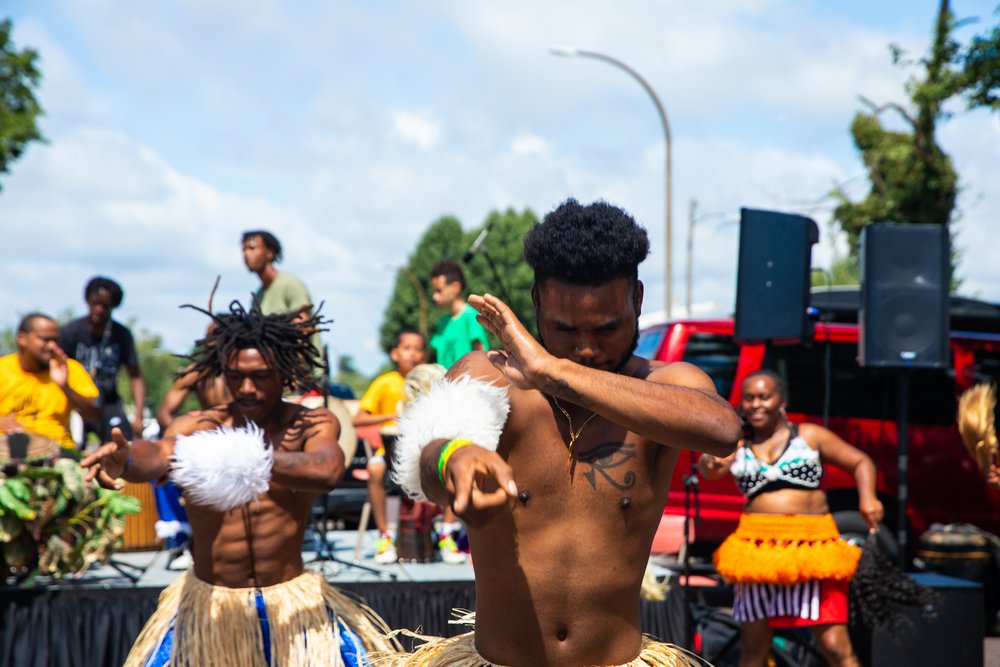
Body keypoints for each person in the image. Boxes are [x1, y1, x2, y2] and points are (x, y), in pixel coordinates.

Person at [390, 199, 742, 666]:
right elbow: (428, 458)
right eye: (564, 329)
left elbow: (721, 429)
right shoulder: (490, 376)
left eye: (608, 329)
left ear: (637, 300)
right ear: (536, 303)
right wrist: (453, 458)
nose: (587, 349)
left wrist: (554, 371)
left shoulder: (667, 387)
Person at [82, 302, 398, 667]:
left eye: (261, 376)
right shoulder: (197, 425)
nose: (246, 388)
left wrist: (241, 454)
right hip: (211, 609)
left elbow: (326, 470)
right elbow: (157, 453)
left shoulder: (310, 423)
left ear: (284, 374)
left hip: (291, 609)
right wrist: (126, 460)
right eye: (235, 376)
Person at [699, 369, 884, 667]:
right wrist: (711, 457)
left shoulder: (809, 435)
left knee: (836, 648)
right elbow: (710, 471)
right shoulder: (738, 444)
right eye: (749, 398)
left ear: (781, 400)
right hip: (758, 551)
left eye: (764, 397)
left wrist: (868, 498)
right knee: (753, 650)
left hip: (812, 549)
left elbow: (860, 461)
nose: (756, 404)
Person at [352, 330, 427, 564]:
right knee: (375, 468)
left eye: (418, 349)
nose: (412, 354)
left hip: (423, 452)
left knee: (451, 464)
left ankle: (447, 533)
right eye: (407, 348)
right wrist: (388, 417)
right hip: (390, 452)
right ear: (395, 353)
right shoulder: (385, 383)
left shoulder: (427, 381)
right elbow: (357, 419)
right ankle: (384, 536)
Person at [60, 276, 147, 444]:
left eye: (105, 306)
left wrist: (139, 414)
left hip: (108, 401)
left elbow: (135, 375)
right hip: (77, 401)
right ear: (87, 301)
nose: (99, 309)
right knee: (74, 446)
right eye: (95, 303)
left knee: (121, 442)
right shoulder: (70, 332)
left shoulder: (121, 335)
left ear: (113, 306)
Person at [0, 313, 100, 451]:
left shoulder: (68, 368)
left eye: (56, 340)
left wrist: (65, 387)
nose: (52, 346)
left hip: (57, 454)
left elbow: (95, 414)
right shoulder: (3, 369)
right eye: (45, 339)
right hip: (6, 452)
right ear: (22, 338)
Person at [242, 230, 324, 382]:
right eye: (244, 249)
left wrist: (295, 374)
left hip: (299, 377)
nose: (246, 254)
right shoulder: (257, 296)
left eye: (252, 248)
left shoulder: (290, 284)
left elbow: (303, 332)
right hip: (271, 375)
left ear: (270, 253)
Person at [428, 259, 489, 369]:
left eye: (439, 290)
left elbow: (482, 354)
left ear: (456, 287)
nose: (434, 296)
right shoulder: (443, 323)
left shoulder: (471, 316)